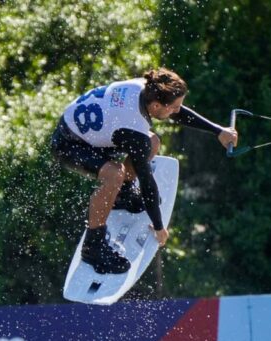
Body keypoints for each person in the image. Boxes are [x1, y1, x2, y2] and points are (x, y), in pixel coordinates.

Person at [51, 67, 238, 274]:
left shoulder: (148, 87)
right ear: (157, 105)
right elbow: (147, 182)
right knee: (115, 174)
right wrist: (159, 227)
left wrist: (217, 131)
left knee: (153, 141)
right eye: (174, 107)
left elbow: (176, 112)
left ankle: (123, 195)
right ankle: (93, 247)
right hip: (69, 143)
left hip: (96, 131)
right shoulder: (133, 128)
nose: (177, 110)